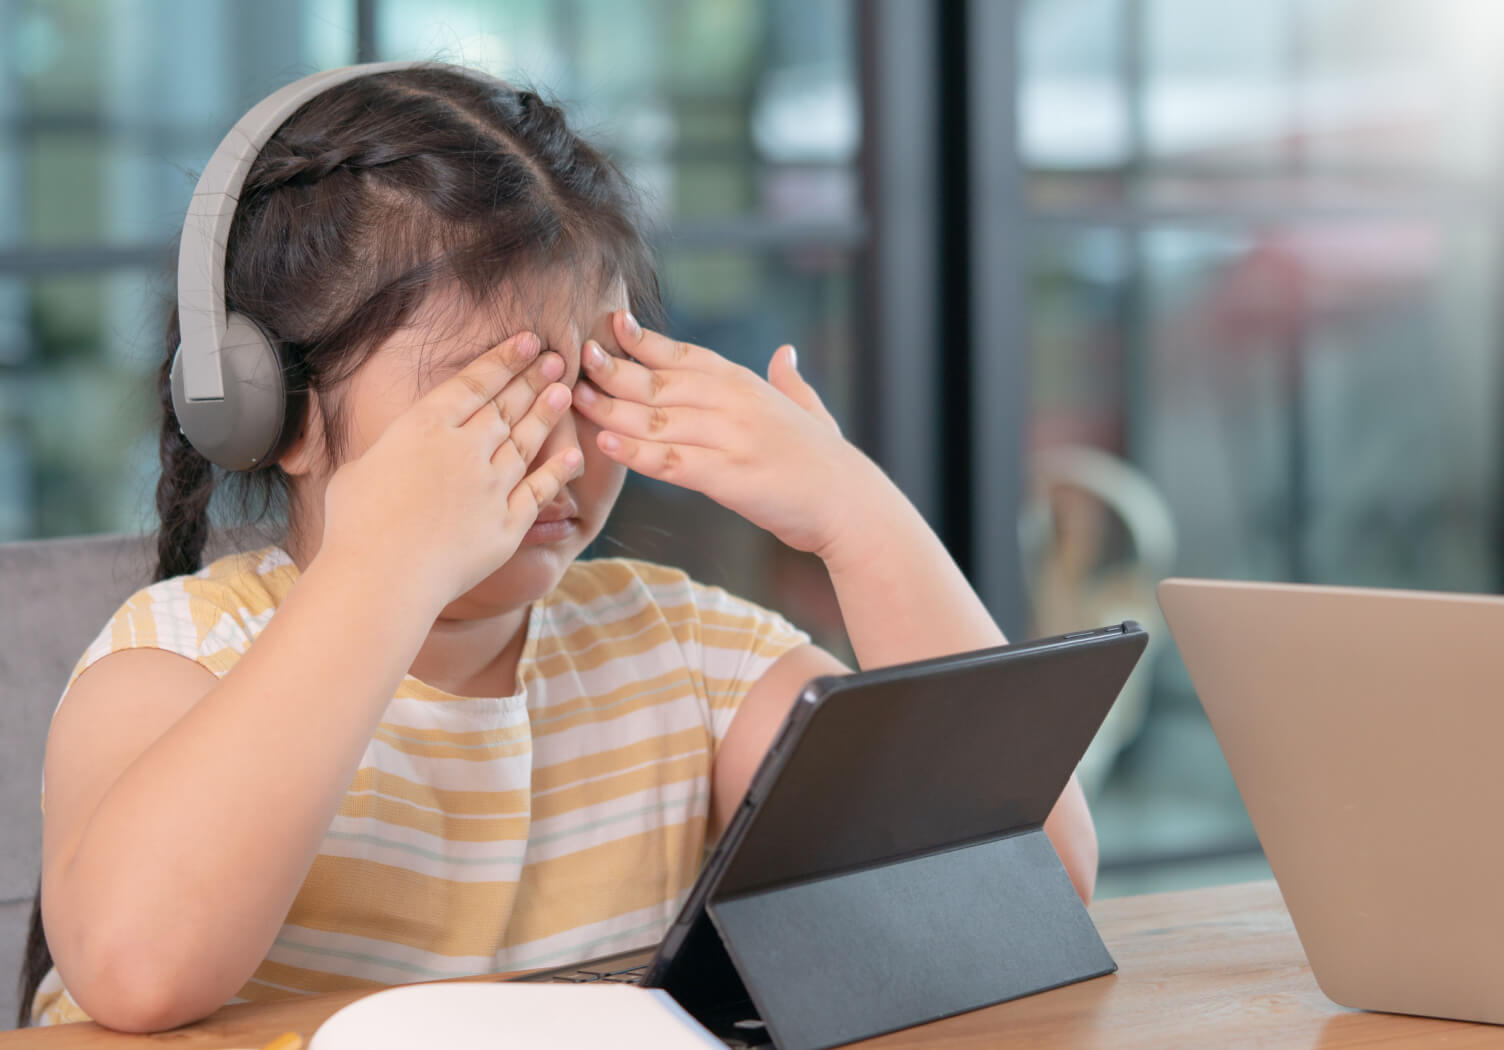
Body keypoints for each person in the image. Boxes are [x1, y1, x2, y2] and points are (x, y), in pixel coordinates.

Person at [19, 63, 1098, 1033]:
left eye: (588, 384)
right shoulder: (181, 654)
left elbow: (1024, 883)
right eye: (484, 401)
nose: (557, 450)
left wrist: (858, 518)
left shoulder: (681, 654)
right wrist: (382, 569)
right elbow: (138, 968)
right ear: (273, 412)